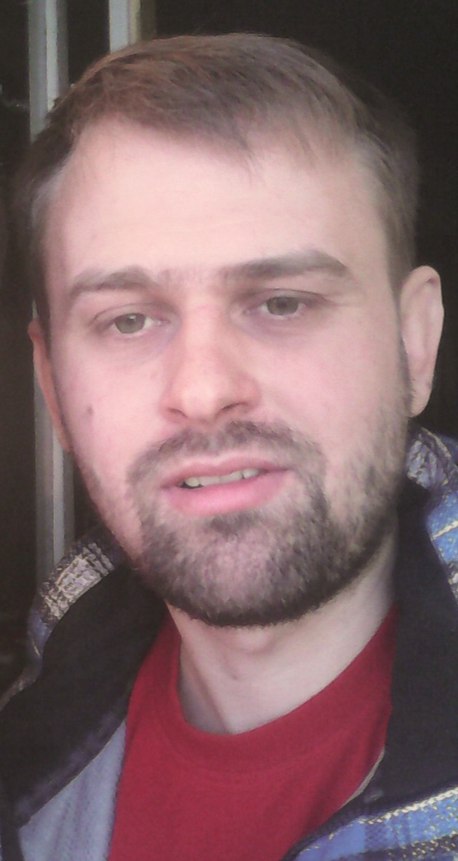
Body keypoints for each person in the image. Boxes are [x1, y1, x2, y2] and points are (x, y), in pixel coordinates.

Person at [0, 32, 457, 861]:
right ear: (54, 389)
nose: (205, 389)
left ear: (414, 343)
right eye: (127, 320)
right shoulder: (32, 740)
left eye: (282, 302)